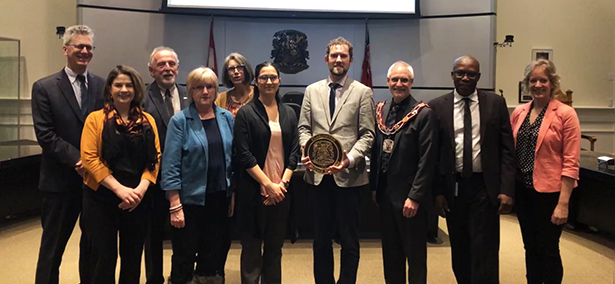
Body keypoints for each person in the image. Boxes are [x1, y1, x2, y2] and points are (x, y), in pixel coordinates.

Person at [429, 55, 515, 283]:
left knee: (485, 249)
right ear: (452, 75)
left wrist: (507, 189)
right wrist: (437, 192)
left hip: (484, 188)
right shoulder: (437, 106)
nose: (465, 78)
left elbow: (507, 150)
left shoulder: (495, 104)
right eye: (460, 73)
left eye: (471, 74)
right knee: (460, 247)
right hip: (453, 188)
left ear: (478, 77)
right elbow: (434, 156)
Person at [298, 37, 375, 284]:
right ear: (326, 59)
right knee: (320, 241)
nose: (338, 59)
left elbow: (368, 134)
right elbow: (303, 129)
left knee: (349, 241)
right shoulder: (311, 90)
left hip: (350, 179)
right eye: (334, 55)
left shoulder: (363, 92)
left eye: (343, 56)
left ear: (351, 60)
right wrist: (307, 150)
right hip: (318, 179)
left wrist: (349, 159)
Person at [31, 24, 104, 284]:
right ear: (65, 49)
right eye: (79, 46)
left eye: (89, 47)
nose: (84, 51)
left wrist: (94, 166)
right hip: (59, 182)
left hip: (95, 184)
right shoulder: (44, 87)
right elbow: (46, 135)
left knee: (93, 248)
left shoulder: (103, 86)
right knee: (52, 248)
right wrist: (80, 160)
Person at [80, 65, 160, 283]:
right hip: (102, 198)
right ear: (110, 89)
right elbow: (89, 158)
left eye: (129, 85)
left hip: (137, 198)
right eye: (118, 85)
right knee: (103, 257)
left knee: (132, 257)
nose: (124, 89)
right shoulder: (95, 119)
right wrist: (119, 190)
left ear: (136, 89)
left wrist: (140, 190)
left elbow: (155, 158)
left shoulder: (147, 120)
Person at [162, 67, 235, 284]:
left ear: (216, 90)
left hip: (219, 197)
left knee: (212, 252)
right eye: (199, 87)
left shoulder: (226, 117)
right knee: (184, 256)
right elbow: (170, 165)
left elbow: (231, 159)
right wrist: (175, 204)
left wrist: (232, 193)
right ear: (191, 91)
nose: (205, 91)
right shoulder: (180, 121)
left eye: (210, 86)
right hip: (189, 201)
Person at [510, 59, 580, 284]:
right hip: (523, 191)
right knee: (530, 247)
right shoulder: (519, 112)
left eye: (543, 80)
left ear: (552, 83)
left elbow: (571, 162)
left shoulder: (566, 114)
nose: (538, 84)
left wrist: (563, 203)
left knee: (548, 249)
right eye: (533, 80)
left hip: (550, 195)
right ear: (527, 84)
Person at [370, 61, 437, 284]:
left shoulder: (423, 114)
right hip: (386, 197)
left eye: (404, 80)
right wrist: (374, 187)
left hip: (410, 199)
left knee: (415, 256)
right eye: (395, 80)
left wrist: (415, 197)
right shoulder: (381, 111)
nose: (399, 84)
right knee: (391, 254)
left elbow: (427, 161)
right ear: (388, 82)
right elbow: (377, 152)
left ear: (411, 83)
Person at [234, 62, 300, 284]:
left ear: (279, 81)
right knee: (252, 250)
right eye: (264, 77)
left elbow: (294, 151)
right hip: (254, 191)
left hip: (282, 191)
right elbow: (243, 155)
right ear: (256, 82)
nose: (269, 81)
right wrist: (267, 185)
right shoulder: (246, 113)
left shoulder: (289, 113)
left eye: (273, 77)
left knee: (274, 250)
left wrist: (282, 184)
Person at [143, 46, 189, 284]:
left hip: (185, 177)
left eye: (172, 64)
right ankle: (154, 279)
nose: (167, 68)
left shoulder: (188, 95)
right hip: (153, 177)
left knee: (183, 233)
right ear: (152, 70)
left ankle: (179, 277)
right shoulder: (141, 97)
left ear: (178, 68)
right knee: (153, 235)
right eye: (161, 64)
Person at [216, 52, 255, 117]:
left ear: (246, 70)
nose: (236, 72)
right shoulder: (220, 99)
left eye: (240, 67)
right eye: (231, 69)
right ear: (227, 74)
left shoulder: (259, 94)